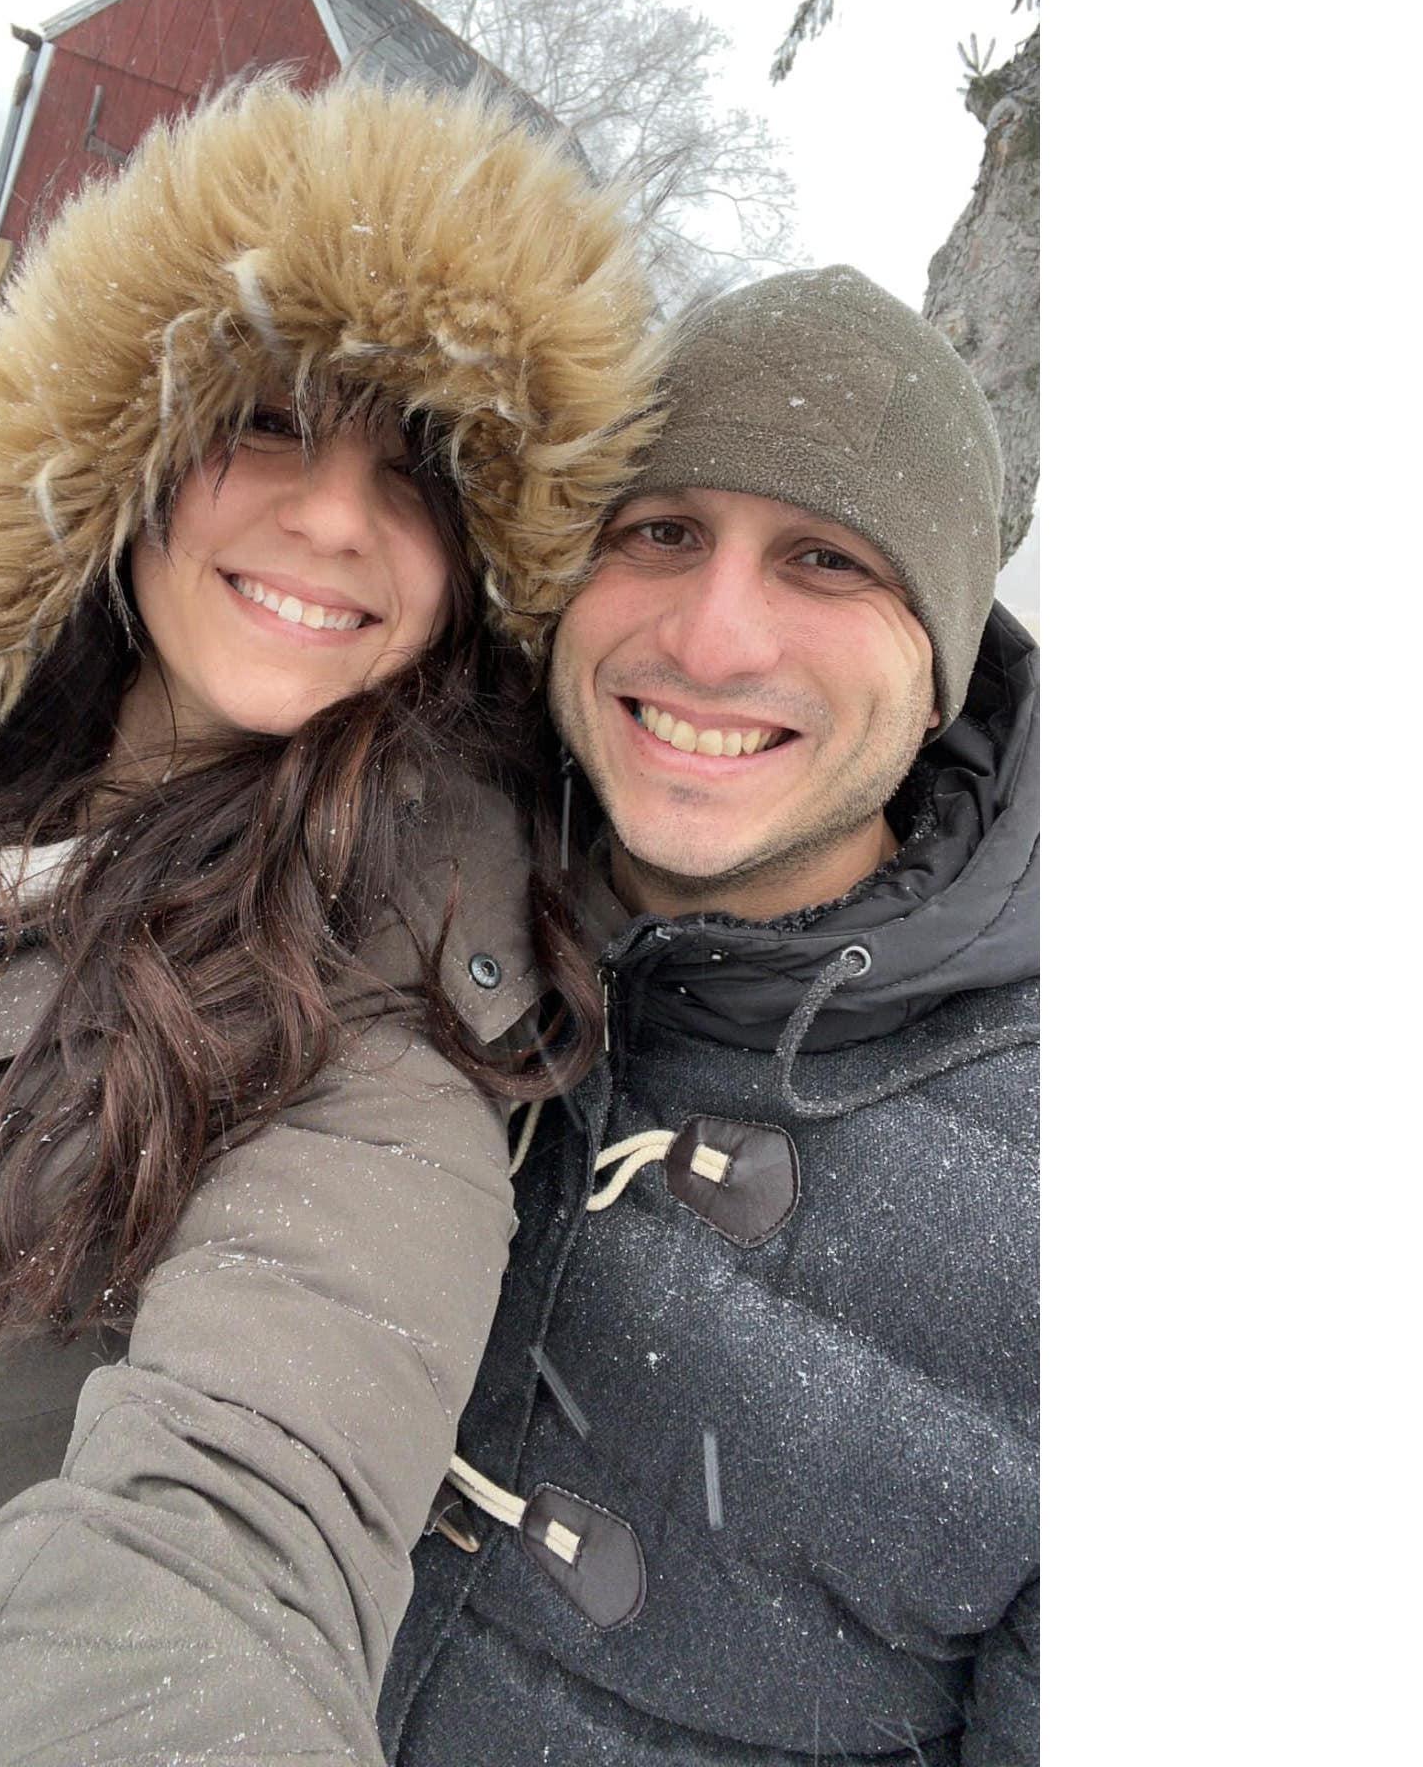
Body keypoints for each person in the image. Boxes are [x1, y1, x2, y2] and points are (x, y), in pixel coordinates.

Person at [0, 73, 664, 1763]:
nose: (335, 517)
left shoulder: (394, 1000)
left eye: (417, 475)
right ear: (124, 462)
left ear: (476, 576)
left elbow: (244, 1526)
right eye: (267, 421)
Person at [379, 267, 1040, 1764]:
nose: (715, 638)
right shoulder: (372, 910)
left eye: (827, 560)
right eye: (660, 530)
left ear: (941, 666)